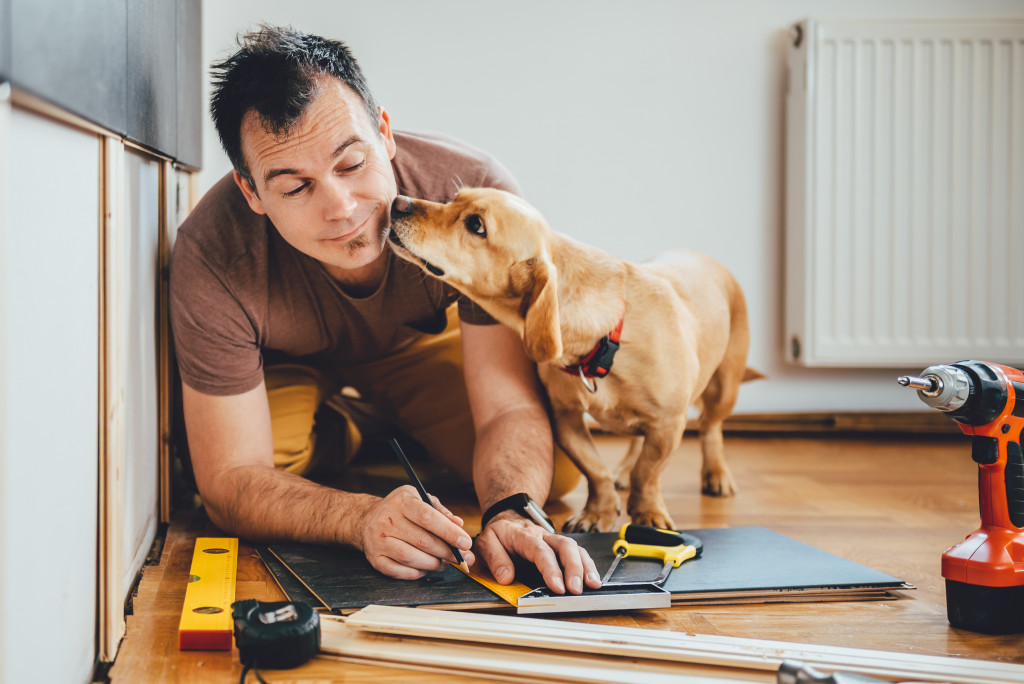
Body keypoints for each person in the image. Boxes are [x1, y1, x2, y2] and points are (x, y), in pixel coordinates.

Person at [169, 25, 601, 596]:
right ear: (251, 193)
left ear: (385, 133)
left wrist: (513, 509)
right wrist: (359, 518)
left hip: (412, 345)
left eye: (351, 165)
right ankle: (351, 428)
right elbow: (227, 480)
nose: (341, 209)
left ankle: (386, 413)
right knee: (271, 469)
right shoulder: (210, 252)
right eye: (295, 188)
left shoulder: (476, 194)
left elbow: (505, 408)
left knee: (558, 472)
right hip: (285, 360)